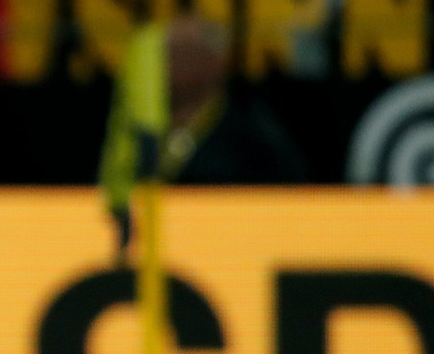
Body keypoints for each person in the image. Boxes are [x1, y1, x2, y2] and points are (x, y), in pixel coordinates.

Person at [99, 17, 309, 253]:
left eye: (177, 53)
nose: (162, 63)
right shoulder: (139, 129)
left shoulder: (253, 137)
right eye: (163, 53)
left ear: (213, 63)